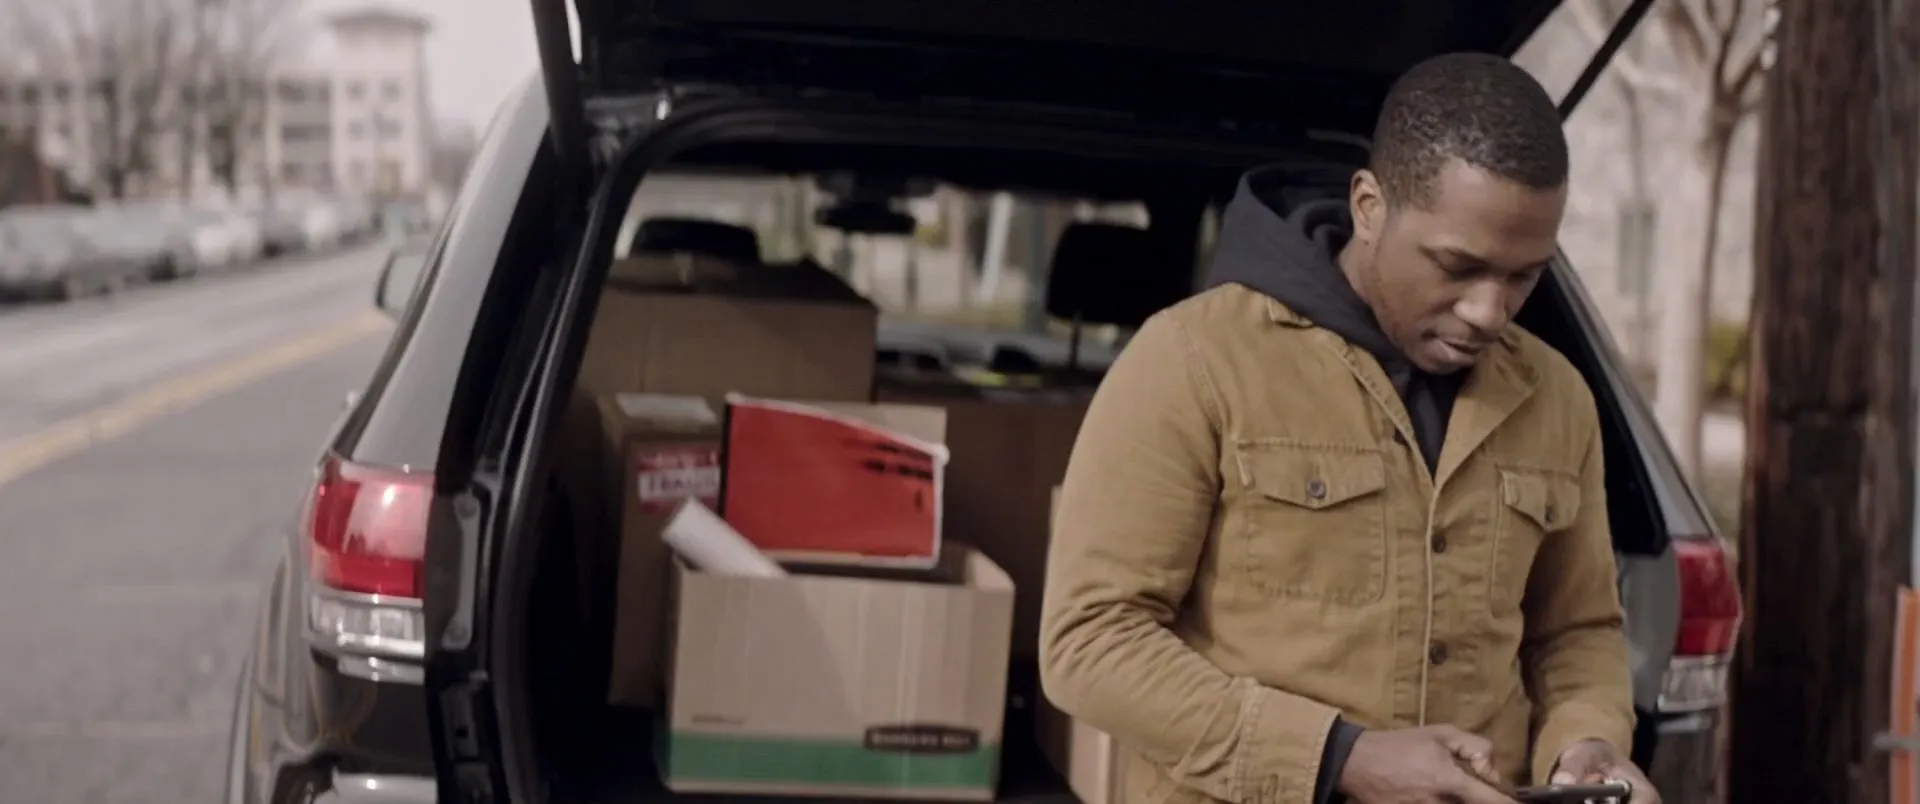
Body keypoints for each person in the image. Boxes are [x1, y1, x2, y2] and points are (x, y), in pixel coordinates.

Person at [1038, 52, 1658, 804]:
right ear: (1369, 207)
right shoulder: (1194, 360)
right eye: (1457, 266)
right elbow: (1090, 641)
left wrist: (1587, 745)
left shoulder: (1557, 399)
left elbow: (1575, 633)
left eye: (1524, 274)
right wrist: (1341, 758)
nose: (1489, 311)